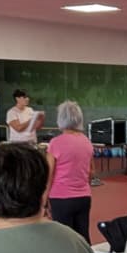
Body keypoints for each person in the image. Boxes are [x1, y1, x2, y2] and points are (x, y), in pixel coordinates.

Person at [45, 100, 94, 241]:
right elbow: (91, 172)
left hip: (61, 198)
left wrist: (44, 200)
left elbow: (49, 174)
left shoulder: (55, 143)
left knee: (63, 240)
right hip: (84, 197)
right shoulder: (86, 141)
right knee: (82, 238)